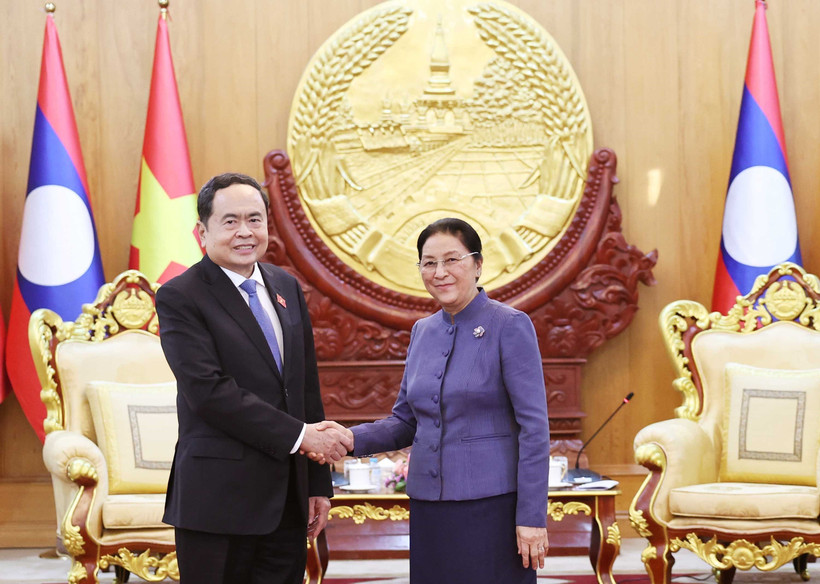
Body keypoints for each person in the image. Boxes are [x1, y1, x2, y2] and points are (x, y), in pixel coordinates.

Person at [156, 172, 353, 584]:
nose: (245, 232)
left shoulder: (286, 286)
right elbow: (209, 393)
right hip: (218, 502)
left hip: (287, 503)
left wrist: (317, 484)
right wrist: (301, 436)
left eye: (254, 219)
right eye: (230, 221)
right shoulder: (180, 296)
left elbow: (305, 388)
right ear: (202, 232)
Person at [342, 217, 550, 583]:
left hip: (492, 508)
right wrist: (347, 438)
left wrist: (532, 517)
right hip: (429, 509)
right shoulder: (423, 331)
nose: (440, 272)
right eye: (429, 263)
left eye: (452, 260)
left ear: (478, 264)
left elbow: (534, 429)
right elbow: (405, 422)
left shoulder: (509, 325)